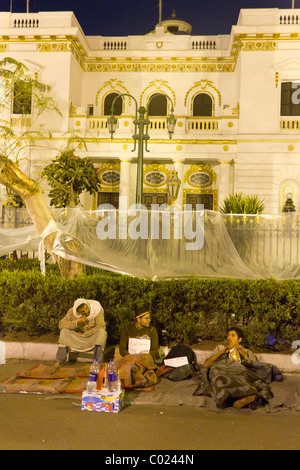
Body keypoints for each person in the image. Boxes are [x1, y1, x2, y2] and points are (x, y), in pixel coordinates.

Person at [203, 327, 272, 409]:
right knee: (220, 377)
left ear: (239, 339)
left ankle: (238, 398)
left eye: (232, 335)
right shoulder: (220, 348)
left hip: (239, 371)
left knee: (241, 378)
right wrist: (222, 352)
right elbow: (206, 364)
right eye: (228, 335)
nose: (229, 337)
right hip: (223, 369)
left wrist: (244, 355)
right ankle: (237, 398)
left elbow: (255, 368)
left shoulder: (246, 351)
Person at [56, 298, 107, 364]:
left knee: (101, 333)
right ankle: (60, 361)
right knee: (64, 331)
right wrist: (77, 322)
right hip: (77, 337)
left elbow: (101, 326)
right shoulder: (72, 313)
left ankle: (97, 363)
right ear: (78, 312)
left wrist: (85, 334)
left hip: (91, 337)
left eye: (86, 308)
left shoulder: (96, 310)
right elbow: (61, 324)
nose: (86, 311)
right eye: (82, 311)